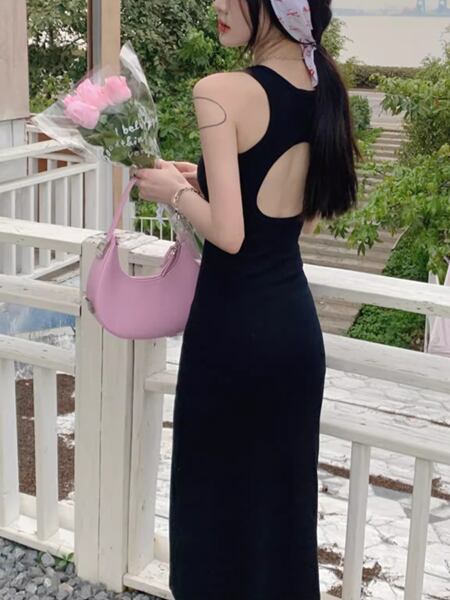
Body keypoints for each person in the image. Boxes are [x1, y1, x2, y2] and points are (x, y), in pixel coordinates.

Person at [134, 0, 361, 598]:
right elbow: (297, 217)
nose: (216, 4)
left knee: (214, 511)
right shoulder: (320, 85)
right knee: (278, 518)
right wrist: (199, 181)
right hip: (292, 331)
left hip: (233, 333)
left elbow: (230, 234)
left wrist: (171, 192)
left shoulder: (220, 90)